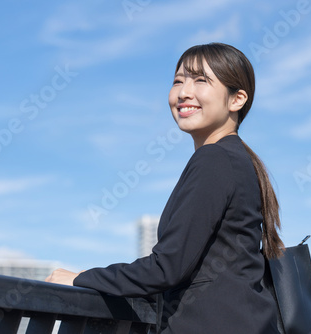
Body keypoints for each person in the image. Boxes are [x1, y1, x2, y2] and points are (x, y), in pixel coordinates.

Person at [45, 42, 284, 333]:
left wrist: (81, 278)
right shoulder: (235, 160)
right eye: (178, 81)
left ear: (237, 99)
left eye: (200, 80)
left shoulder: (216, 159)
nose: (184, 92)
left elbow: (166, 267)